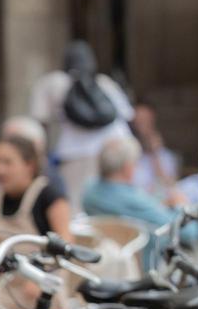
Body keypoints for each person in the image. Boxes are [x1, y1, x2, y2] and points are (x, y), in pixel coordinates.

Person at [0, 136, 74, 309]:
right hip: (4, 290)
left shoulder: (48, 194)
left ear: (29, 165)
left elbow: (66, 243)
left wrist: (43, 277)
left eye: (7, 162)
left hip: (40, 288)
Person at [29, 40, 135, 211]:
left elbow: (40, 121)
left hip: (76, 154)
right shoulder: (105, 82)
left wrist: (42, 154)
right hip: (115, 149)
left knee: (76, 205)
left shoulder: (53, 83)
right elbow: (128, 115)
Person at [83, 137, 198, 268]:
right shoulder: (134, 200)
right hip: (141, 268)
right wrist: (181, 205)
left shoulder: (89, 191)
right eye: (136, 164)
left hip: (103, 261)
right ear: (127, 168)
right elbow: (191, 233)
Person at [130, 102, 182, 202]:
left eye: (145, 121)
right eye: (138, 122)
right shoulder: (127, 154)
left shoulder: (166, 157)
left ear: (153, 120)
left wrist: (155, 154)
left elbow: (170, 186)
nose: (141, 127)